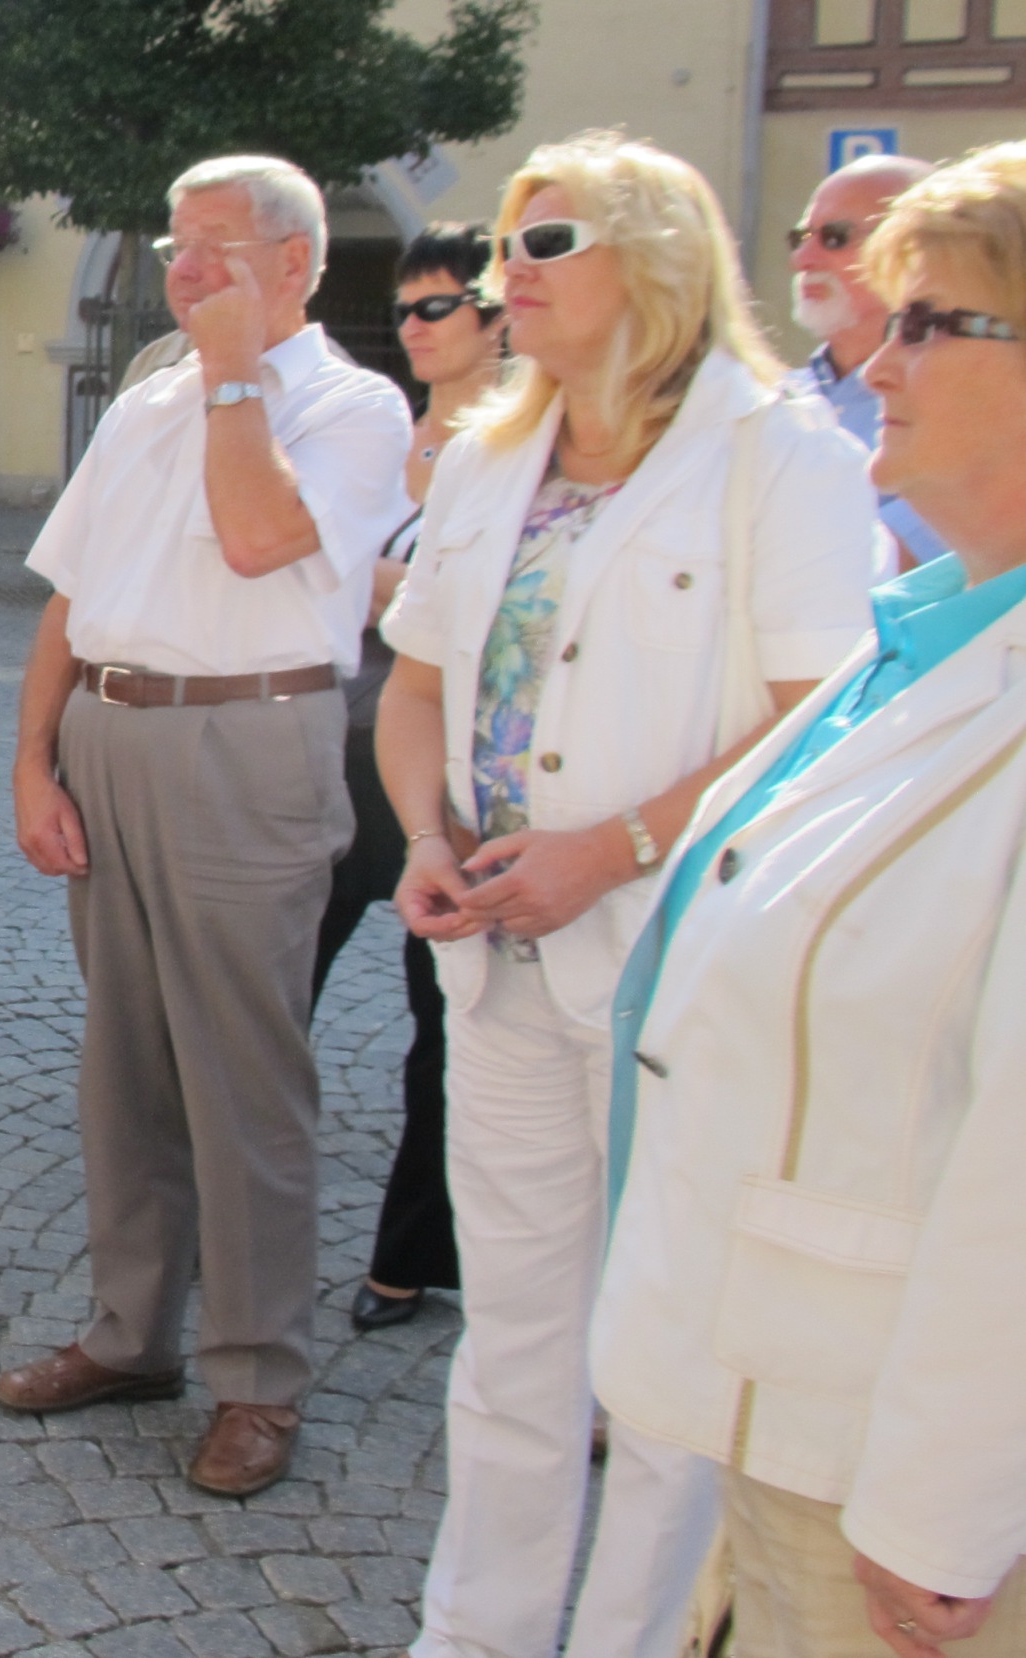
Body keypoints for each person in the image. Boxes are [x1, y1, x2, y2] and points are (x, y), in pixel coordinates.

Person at [377, 133, 879, 1658]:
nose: (495, 278)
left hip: (678, 966)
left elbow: (824, 703)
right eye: (500, 252)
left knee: (661, 1359)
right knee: (512, 1339)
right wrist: (420, 835)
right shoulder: (482, 452)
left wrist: (616, 845)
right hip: (500, 963)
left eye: (542, 247)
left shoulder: (777, 450)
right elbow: (411, 681)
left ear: (652, 262)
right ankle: (475, 1632)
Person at [592, 138, 1026, 1658]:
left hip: (902, 1516)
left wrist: (943, 1504)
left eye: (927, 321)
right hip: (787, 1420)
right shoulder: (930, 630)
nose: (871, 349)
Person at [0, 155, 412, 1498]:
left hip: (249, 734)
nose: (181, 273)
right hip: (112, 729)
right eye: (174, 246)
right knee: (124, 1066)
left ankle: (255, 1376)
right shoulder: (147, 400)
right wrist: (33, 759)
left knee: (241, 1075)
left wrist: (236, 376)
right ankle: (131, 1334)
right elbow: (65, 592)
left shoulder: (352, 407)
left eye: (214, 250)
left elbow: (255, 540)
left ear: (294, 262)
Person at [316, 224, 508, 1335]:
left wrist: (396, 587)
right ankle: (227, 1207)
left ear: (495, 322)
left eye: (439, 307)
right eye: (404, 308)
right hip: (344, 741)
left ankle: (406, 1255)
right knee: (277, 976)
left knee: (442, 1022)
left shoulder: (522, 446)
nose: (414, 328)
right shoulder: (387, 433)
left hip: (458, 765)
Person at [789, 153, 943, 568]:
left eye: (834, 237)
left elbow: (893, 566)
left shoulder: (959, 406)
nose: (802, 260)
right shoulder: (767, 397)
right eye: (800, 238)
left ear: (913, 253)